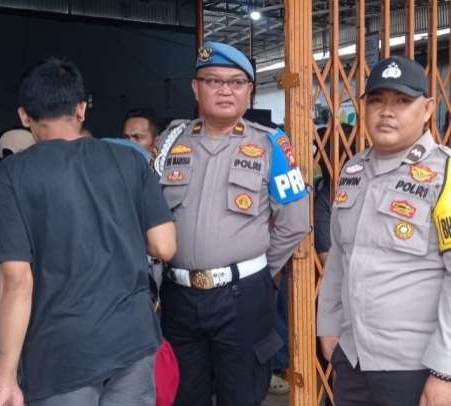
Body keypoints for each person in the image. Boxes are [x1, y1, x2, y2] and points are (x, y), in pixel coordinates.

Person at [0, 57, 176, 406]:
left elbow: (16, 281)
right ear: (82, 109)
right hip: (132, 341)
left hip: (60, 353)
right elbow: (164, 246)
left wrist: (6, 376)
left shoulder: (11, 175)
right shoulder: (130, 160)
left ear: (24, 116)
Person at [157, 41, 310, 406]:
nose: (225, 90)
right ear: (196, 88)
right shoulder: (170, 142)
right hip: (178, 295)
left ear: (249, 91)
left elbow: (295, 222)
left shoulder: (271, 144)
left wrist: (255, 272)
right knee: (183, 395)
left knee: (241, 395)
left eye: (236, 82)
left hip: (243, 298)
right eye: (213, 81)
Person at [317, 55, 451, 406]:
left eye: (402, 101)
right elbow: (339, 257)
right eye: (377, 100)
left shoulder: (446, 174)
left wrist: (444, 371)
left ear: (427, 109)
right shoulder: (353, 170)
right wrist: (328, 324)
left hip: (415, 365)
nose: (387, 112)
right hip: (353, 358)